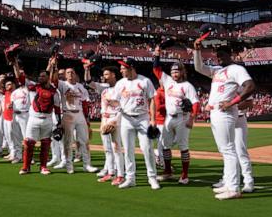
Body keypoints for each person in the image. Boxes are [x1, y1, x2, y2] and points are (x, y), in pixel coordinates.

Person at [194, 40, 255, 200]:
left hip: (225, 112)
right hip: (216, 112)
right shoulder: (217, 71)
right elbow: (199, 68)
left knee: (229, 150)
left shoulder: (236, 69)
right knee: (225, 150)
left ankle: (234, 187)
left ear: (230, 55)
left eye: (222, 54)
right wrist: (197, 51)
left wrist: (232, 102)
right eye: (217, 55)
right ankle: (228, 184)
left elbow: (250, 86)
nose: (219, 57)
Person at [153, 46, 200, 184]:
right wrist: (157, 55)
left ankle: (184, 175)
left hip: (182, 118)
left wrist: (192, 118)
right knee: (166, 146)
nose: (174, 73)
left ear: (182, 72)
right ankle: (168, 171)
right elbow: (156, 69)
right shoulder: (168, 81)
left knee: (183, 147)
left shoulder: (187, 86)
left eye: (177, 71)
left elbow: (196, 103)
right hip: (169, 118)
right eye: (172, 71)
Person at [114, 58, 160, 190]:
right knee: (128, 150)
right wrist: (116, 106)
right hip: (126, 119)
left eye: (124, 68)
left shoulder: (145, 81)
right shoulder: (120, 83)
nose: (122, 70)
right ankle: (130, 178)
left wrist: (153, 120)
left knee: (147, 148)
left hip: (142, 118)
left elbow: (152, 100)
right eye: (121, 68)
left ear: (131, 68)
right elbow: (116, 101)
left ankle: (152, 177)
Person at [13, 59, 62, 176]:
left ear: (48, 77)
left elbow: (57, 108)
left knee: (45, 144)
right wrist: (15, 63)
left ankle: (43, 166)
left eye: (43, 76)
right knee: (29, 143)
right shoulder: (33, 87)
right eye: (39, 76)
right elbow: (20, 78)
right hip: (33, 119)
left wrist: (59, 123)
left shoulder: (54, 91)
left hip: (48, 119)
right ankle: (26, 167)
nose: (40, 78)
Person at [51, 58, 98, 174]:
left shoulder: (81, 87)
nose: (70, 74)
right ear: (65, 76)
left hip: (80, 114)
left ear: (75, 74)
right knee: (68, 141)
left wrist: (87, 119)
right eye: (68, 73)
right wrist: (54, 67)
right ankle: (68, 165)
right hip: (68, 114)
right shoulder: (62, 84)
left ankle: (87, 164)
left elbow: (85, 103)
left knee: (84, 141)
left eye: (72, 72)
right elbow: (53, 80)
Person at [84, 64, 125, 185]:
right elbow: (88, 81)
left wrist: (115, 121)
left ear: (113, 75)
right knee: (107, 149)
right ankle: (111, 172)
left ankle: (120, 175)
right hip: (104, 119)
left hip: (115, 119)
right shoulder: (103, 88)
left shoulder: (121, 88)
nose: (104, 76)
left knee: (116, 148)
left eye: (107, 74)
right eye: (104, 74)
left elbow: (123, 108)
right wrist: (87, 69)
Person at [213, 88, 255, 193]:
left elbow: (249, 103)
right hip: (225, 118)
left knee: (241, 151)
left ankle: (248, 181)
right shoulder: (222, 85)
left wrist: (232, 105)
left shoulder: (241, 85)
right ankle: (227, 180)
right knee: (226, 151)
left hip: (239, 119)